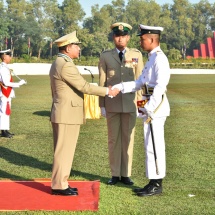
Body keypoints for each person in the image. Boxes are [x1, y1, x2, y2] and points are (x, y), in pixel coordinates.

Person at [49, 31, 119, 196]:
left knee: (65, 150)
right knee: (63, 151)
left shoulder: (60, 62)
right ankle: (59, 185)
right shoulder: (65, 64)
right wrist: (107, 91)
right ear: (67, 48)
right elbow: (84, 87)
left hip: (64, 112)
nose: (79, 49)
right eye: (76, 46)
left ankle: (62, 182)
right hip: (66, 113)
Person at [112, 24, 171, 196]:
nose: (140, 41)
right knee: (149, 145)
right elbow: (140, 83)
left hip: (155, 108)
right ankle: (152, 181)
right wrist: (120, 86)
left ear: (152, 39)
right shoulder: (152, 58)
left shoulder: (160, 59)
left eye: (143, 38)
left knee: (155, 145)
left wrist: (149, 108)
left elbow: (160, 86)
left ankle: (157, 184)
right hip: (150, 108)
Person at [98, 22, 144, 186]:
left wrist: (141, 104)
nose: (120, 38)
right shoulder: (105, 56)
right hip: (112, 105)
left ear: (128, 37)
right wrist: (101, 105)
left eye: (124, 36)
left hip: (131, 103)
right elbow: (102, 82)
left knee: (128, 139)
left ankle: (126, 174)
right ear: (113, 37)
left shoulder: (136, 54)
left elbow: (141, 81)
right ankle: (115, 174)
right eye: (117, 36)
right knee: (113, 140)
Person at [0, 49, 26, 138]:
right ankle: (4, 131)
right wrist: (19, 83)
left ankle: (5, 130)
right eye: (9, 56)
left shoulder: (5, 67)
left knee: (6, 112)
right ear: (4, 57)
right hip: (4, 92)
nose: (10, 57)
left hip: (6, 92)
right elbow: (6, 83)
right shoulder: (3, 68)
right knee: (4, 111)